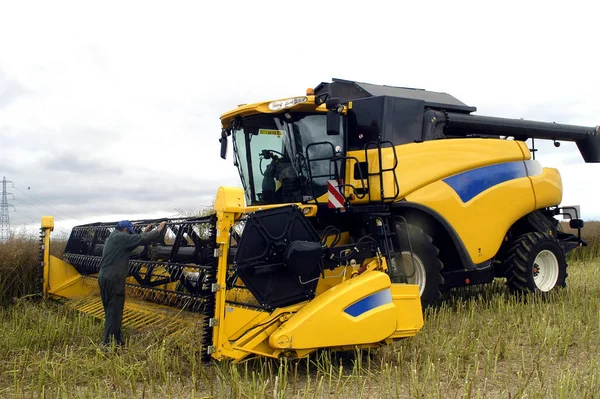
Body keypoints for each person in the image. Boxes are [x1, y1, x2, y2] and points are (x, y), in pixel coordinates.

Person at [97, 219, 167, 346]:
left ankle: (117, 340)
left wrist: (145, 230)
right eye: (129, 232)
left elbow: (134, 240)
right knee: (115, 311)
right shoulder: (121, 238)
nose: (129, 234)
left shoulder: (112, 238)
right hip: (114, 279)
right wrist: (158, 230)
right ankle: (109, 344)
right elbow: (140, 239)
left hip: (104, 277)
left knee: (110, 310)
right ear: (124, 230)